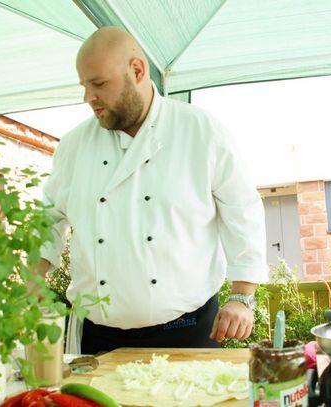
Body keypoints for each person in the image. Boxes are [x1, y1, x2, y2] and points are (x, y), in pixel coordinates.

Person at [36, 26, 267, 354]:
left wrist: (242, 297)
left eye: (99, 83)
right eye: (84, 86)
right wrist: (33, 279)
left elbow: (243, 213)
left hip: (187, 330)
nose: (88, 97)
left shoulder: (200, 131)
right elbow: (48, 218)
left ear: (137, 70)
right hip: (98, 338)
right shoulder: (74, 146)